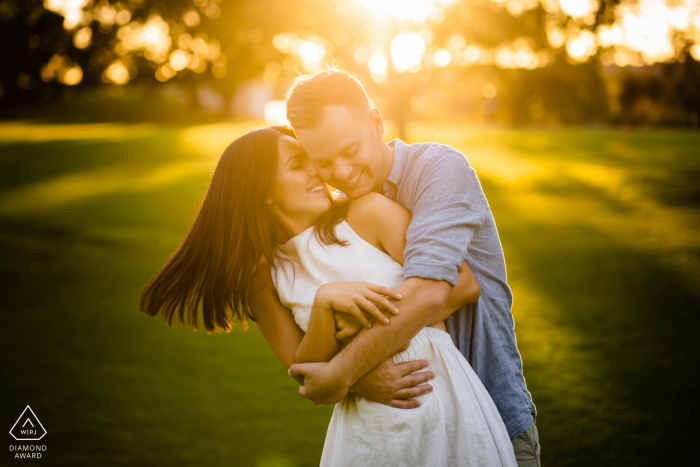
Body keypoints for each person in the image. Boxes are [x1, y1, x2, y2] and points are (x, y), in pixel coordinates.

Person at [138, 125, 517, 466]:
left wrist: (351, 352)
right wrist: (325, 306)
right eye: (297, 165)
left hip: (439, 398)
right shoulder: (263, 278)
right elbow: (306, 372)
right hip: (369, 427)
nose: (318, 172)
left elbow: (463, 284)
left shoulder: (367, 213)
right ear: (263, 192)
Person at [284, 69, 540, 466]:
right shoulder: (341, 217)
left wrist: (343, 372)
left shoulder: (438, 170)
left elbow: (430, 291)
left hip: (490, 417)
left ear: (375, 122)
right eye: (324, 162)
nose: (342, 172)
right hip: (406, 434)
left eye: (350, 150)